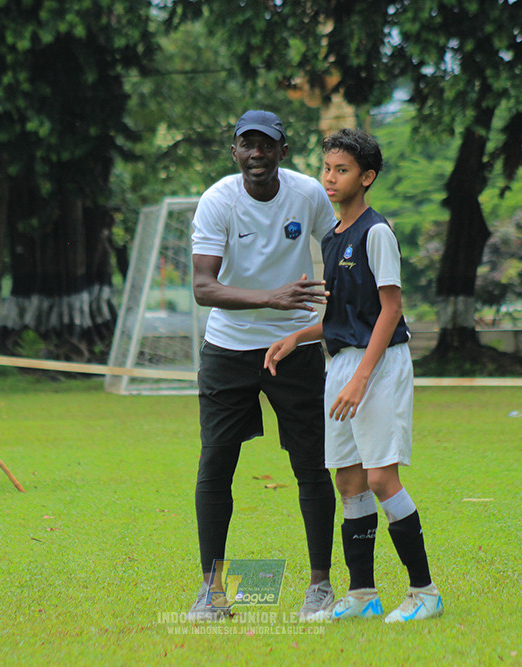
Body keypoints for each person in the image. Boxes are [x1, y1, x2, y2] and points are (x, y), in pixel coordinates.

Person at [265, 128, 443, 623]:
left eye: (341, 170)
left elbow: (389, 310)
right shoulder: (333, 236)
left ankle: (424, 591)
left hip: (379, 364)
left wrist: (363, 377)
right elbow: (341, 317)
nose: (329, 178)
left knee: (382, 477)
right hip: (340, 362)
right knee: (349, 481)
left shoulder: (376, 232)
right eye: (327, 168)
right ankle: (362, 594)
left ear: (366, 178)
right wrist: (296, 337)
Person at [187, 110, 339, 621]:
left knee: (312, 465)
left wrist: (341, 303)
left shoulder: (307, 194)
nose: (257, 154)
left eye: (266, 145)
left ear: (282, 150)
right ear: (234, 152)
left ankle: (319, 588)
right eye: (247, 145)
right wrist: (270, 299)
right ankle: (212, 593)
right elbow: (203, 287)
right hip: (228, 351)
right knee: (216, 465)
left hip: (294, 348)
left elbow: (339, 245)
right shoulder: (217, 201)